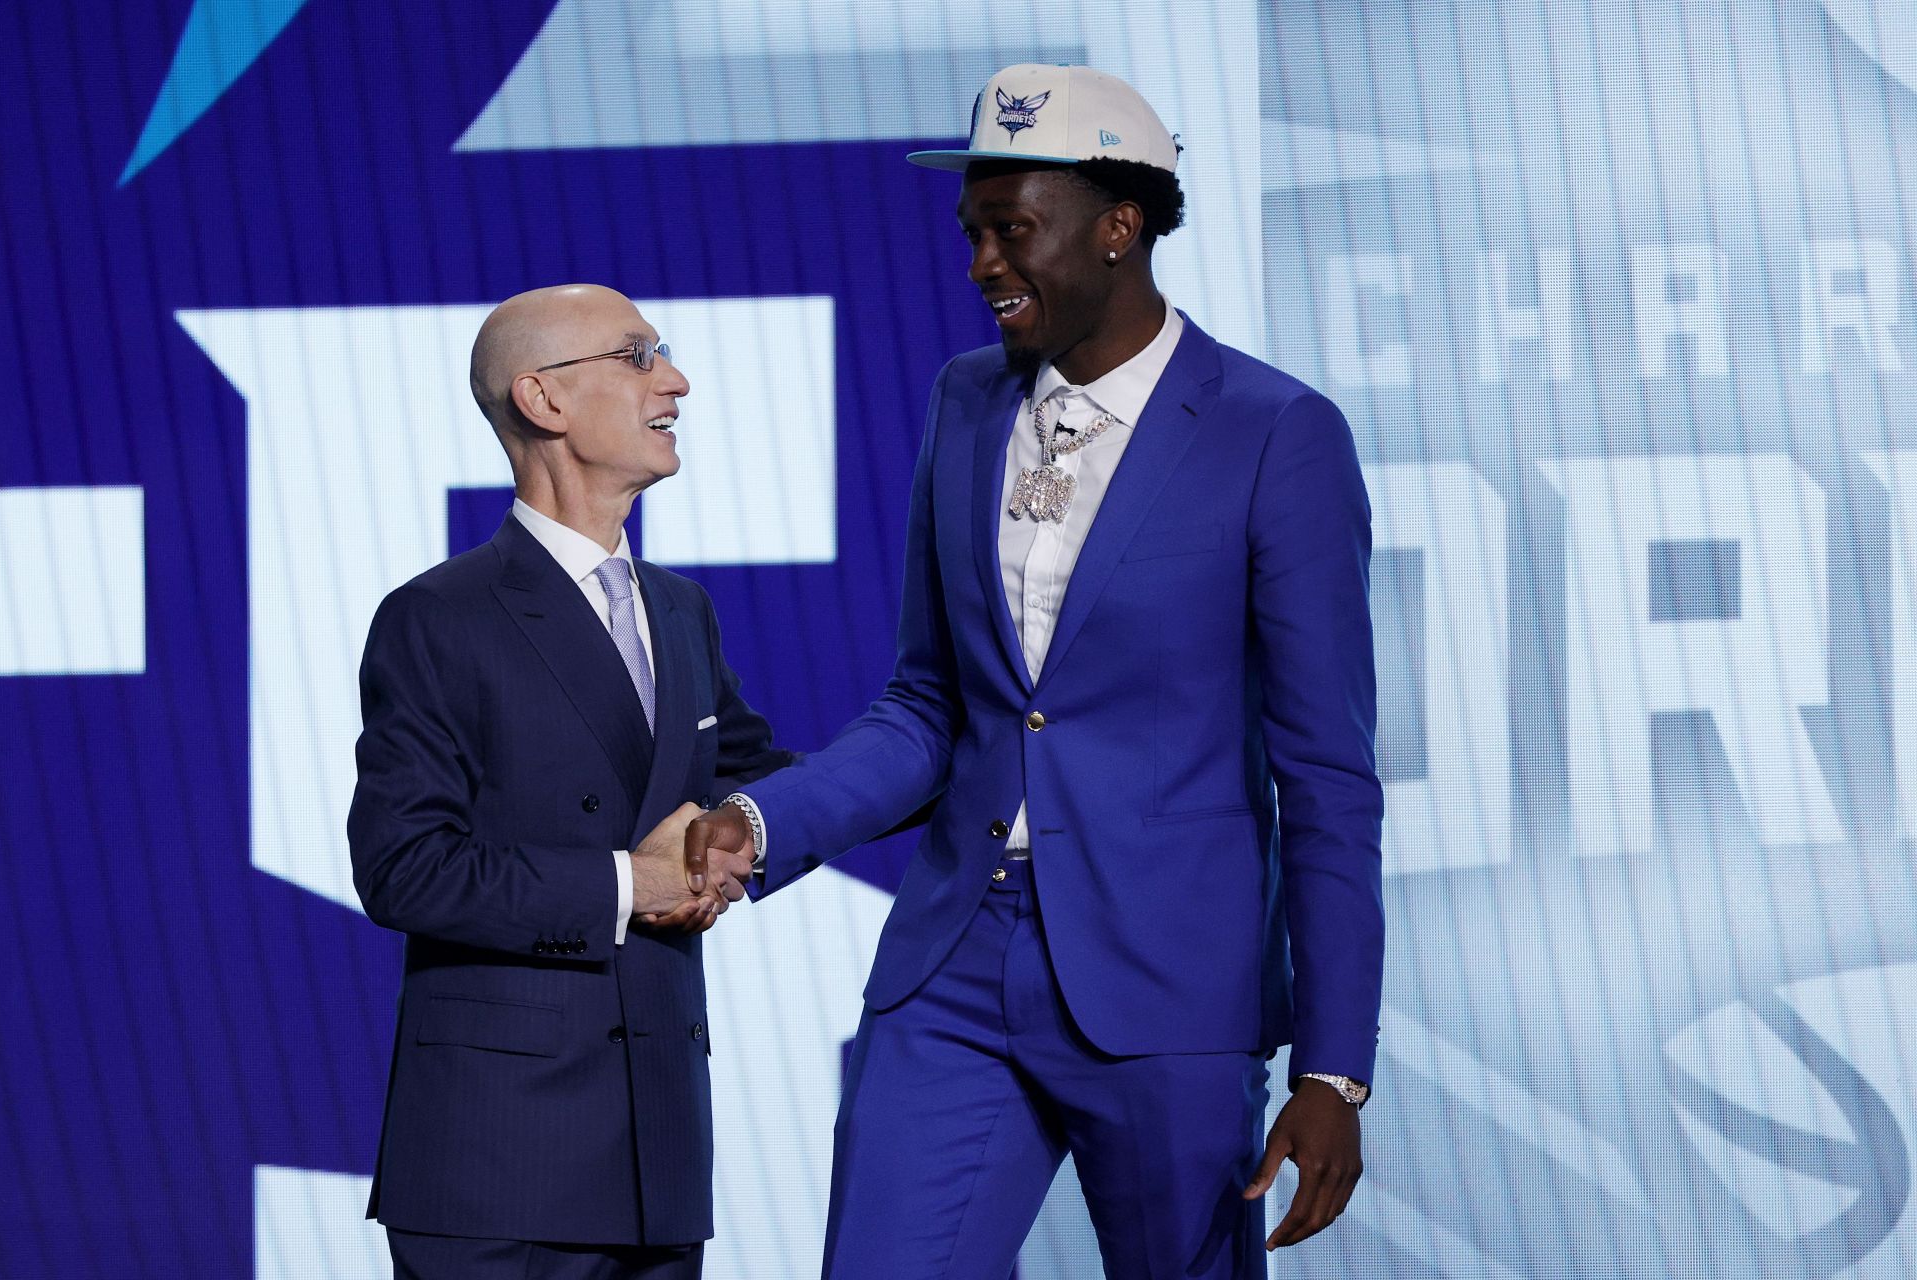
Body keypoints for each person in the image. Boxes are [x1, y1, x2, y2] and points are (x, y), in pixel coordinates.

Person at [687, 65, 1384, 1278]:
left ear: (1121, 226)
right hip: (954, 961)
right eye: (972, 234)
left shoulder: (1277, 433)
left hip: (1170, 987)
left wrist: (1333, 1068)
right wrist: (761, 818)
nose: (982, 266)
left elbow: (1325, 773)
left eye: (1014, 231)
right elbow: (927, 703)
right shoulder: (963, 402)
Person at [349, 284, 787, 1279]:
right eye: (639, 357)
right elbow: (405, 868)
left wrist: (977, 756)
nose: (675, 380)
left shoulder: (682, 611)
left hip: (659, 1153)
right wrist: (633, 884)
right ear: (542, 400)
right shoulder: (437, 617)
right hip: (497, 1163)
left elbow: (767, 785)